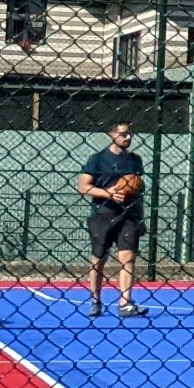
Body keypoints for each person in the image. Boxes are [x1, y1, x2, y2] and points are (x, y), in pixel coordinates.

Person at [76, 121, 148, 316]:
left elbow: (137, 188)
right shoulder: (97, 159)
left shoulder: (135, 160)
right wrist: (107, 193)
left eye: (130, 134)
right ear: (112, 135)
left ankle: (125, 303)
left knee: (128, 256)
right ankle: (95, 301)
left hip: (129, 214)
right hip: (103, 213)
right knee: (99, 258)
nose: (128, 137)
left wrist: (140, 214)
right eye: (123, 134)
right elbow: (83, 186)